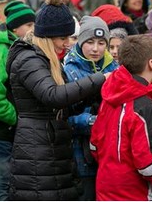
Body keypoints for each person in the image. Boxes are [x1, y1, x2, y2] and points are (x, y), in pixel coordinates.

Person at [7, 0, 109, 200]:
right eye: (62, 38)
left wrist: (89, 97)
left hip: (50, 147)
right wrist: (100, 79)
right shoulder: (29, 59)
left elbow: (62, 107)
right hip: (37, 150)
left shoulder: (46, 59)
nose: (67, 43)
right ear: (46, 36)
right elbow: (54, 96)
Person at [90, 35, 152, 201]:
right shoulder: (145, 107)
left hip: (106, 190)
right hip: (133, 194)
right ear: (151, 63)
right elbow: (148, 165)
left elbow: (94, 146)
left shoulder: (109, 96)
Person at [64, 16, 119, 200]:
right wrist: (93, 120)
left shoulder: (114, 66)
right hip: (82, 155)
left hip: (110, 155)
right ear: (80, 42)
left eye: (101, 42)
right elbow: (65, 116)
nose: (96, 49)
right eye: (90, 42)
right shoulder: (69, 69)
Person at [0, 0, 35, 200]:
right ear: (14, 27)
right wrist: (16, 119)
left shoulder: (20, 46)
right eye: (29, 25)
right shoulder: (2, 49)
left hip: (13, 131)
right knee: (2, 186)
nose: (33, 29)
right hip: (3, 131)